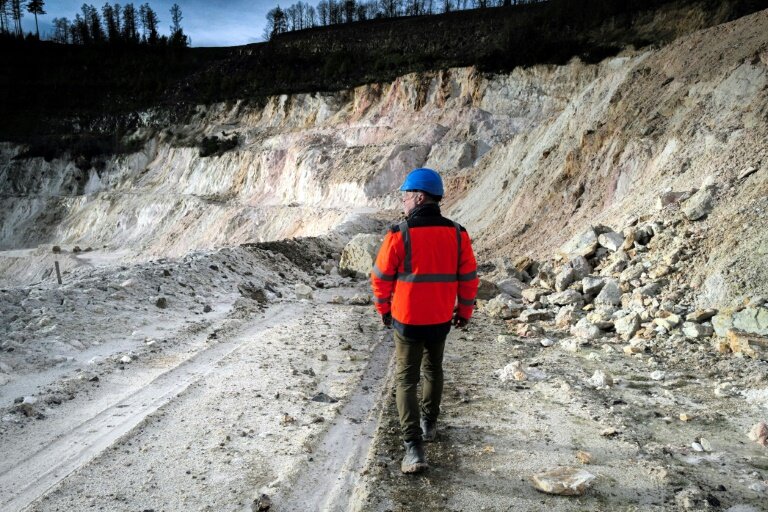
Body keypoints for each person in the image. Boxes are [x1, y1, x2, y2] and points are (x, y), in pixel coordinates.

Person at [370, 168, 479, 474]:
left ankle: (413, 448)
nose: (403, 203)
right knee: (433, 369)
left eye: (405, 196)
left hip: (406, 320)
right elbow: (469, 278)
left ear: (418, 196)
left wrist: (383, 310)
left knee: (406, 378)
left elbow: (380, 279)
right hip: (441, 318)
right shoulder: (458, 234)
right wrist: (465, 311)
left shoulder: (399, 234)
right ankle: (429, 425)